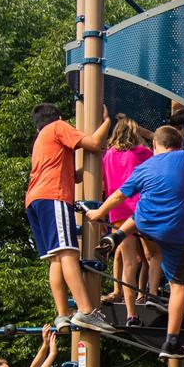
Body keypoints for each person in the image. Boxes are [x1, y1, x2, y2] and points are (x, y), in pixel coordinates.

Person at [88, 124, 184, 358]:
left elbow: (119, 195)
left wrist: (98, 213)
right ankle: (171, 342)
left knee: (140, 212)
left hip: (145, 222)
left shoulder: (145, 166)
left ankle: (115, 236)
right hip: (173, 229)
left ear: (155, 145)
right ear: (178, 144)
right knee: (178, 286)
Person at [26, 102, 120, 334]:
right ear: (58, 117)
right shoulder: (58, 127)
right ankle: (86, 311)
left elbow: (74, 177)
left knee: (56, 258)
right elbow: (94, 143)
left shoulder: (41, 140)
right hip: (53, 196)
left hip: (35, 199)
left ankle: (62, 314)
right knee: (69, 252)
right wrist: (107, 121)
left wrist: (93, 164)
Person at [100, 113, 155, 322]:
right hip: (140, 208)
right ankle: (151, 295)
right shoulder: (142, 152)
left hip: (117, 211)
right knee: (152, 255)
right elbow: (159, 159)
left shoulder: (107, 156)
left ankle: (131, 313)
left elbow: (105, 184)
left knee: (129, 262)